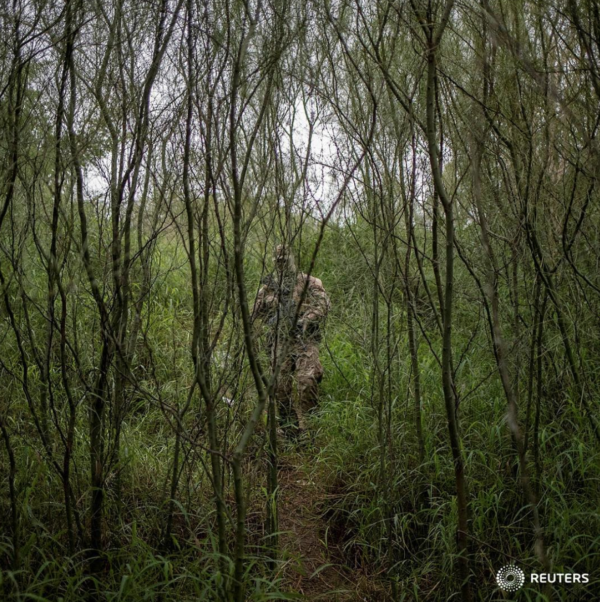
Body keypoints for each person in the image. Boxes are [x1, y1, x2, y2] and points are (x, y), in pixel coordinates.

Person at [252, 245, 330, 434]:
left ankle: (310, 427)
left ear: (292, 259)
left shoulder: (308, 282)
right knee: (279, 386)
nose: (281, 265)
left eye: (284, 260)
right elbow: (254, 314)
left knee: (307, 381)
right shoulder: (268, 287)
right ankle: (289, 426)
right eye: (278, 261)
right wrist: (268, 303)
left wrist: (307, 319)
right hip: (280, 340)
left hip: (305, 339)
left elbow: (324, 304)